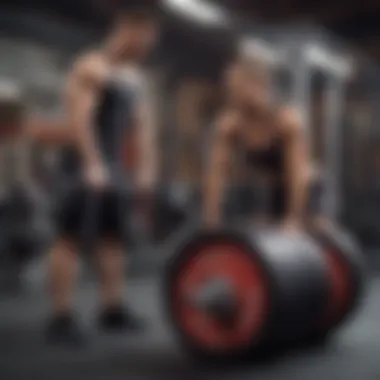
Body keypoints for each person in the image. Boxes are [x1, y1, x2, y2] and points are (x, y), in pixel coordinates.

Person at [46, 4, 160, 346]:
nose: (149, 44)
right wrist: (92, 163)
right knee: (70, 237)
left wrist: (144, 170)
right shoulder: (92, 66)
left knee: (112, 237)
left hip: (114, 166)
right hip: (84, 163)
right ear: (128, 28)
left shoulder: (133, 77)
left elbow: (142, 129)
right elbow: (79, 119)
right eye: (146, 35)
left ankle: (111, 308)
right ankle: (61, 316)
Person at [204, 57, 324, 230]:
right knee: (269, 231)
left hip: (307, 187)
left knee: (311, 230)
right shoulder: (230, 125)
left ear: (257, 86)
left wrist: (294, 220)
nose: (232, 94)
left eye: (237, 88)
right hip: (275, 188)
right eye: (230, 89)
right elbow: (216, 175)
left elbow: (297, 175)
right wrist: (211, 220)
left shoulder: (287, 122)